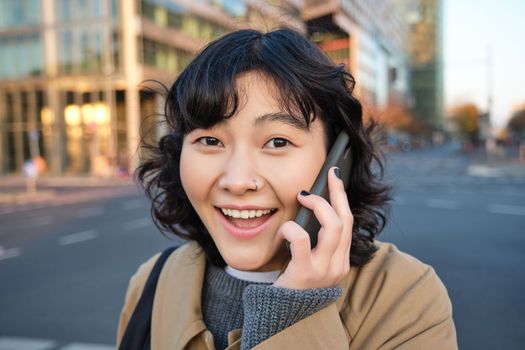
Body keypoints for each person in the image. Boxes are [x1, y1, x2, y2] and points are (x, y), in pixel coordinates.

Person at [117, 28, 457, 349]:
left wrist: (294, 313)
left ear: (338, 160)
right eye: (209, 140)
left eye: (277, 142)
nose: (237, 180)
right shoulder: (153, 283)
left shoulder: (403, 295)